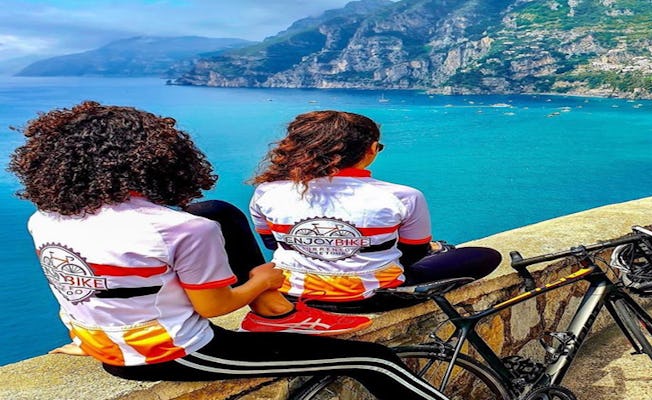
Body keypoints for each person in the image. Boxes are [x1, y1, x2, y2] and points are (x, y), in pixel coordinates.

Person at [9, 101, 448, 399]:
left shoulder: (45, 218)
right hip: (177, 352)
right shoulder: (179, 228)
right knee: (375, 359)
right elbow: (217, 305)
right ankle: (275, 308)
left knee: (215, 210)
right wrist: (263, 279)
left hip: (101, 344)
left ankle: (276, 310)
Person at [250, 110, 500, 313]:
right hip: (372, 298)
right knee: (486, 255)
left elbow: (272, 242)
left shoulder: (267, 191)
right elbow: (412, 254)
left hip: (291, 294)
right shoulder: (402, 196)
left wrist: (324, 248)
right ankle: (439, 250)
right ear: (370, 149)